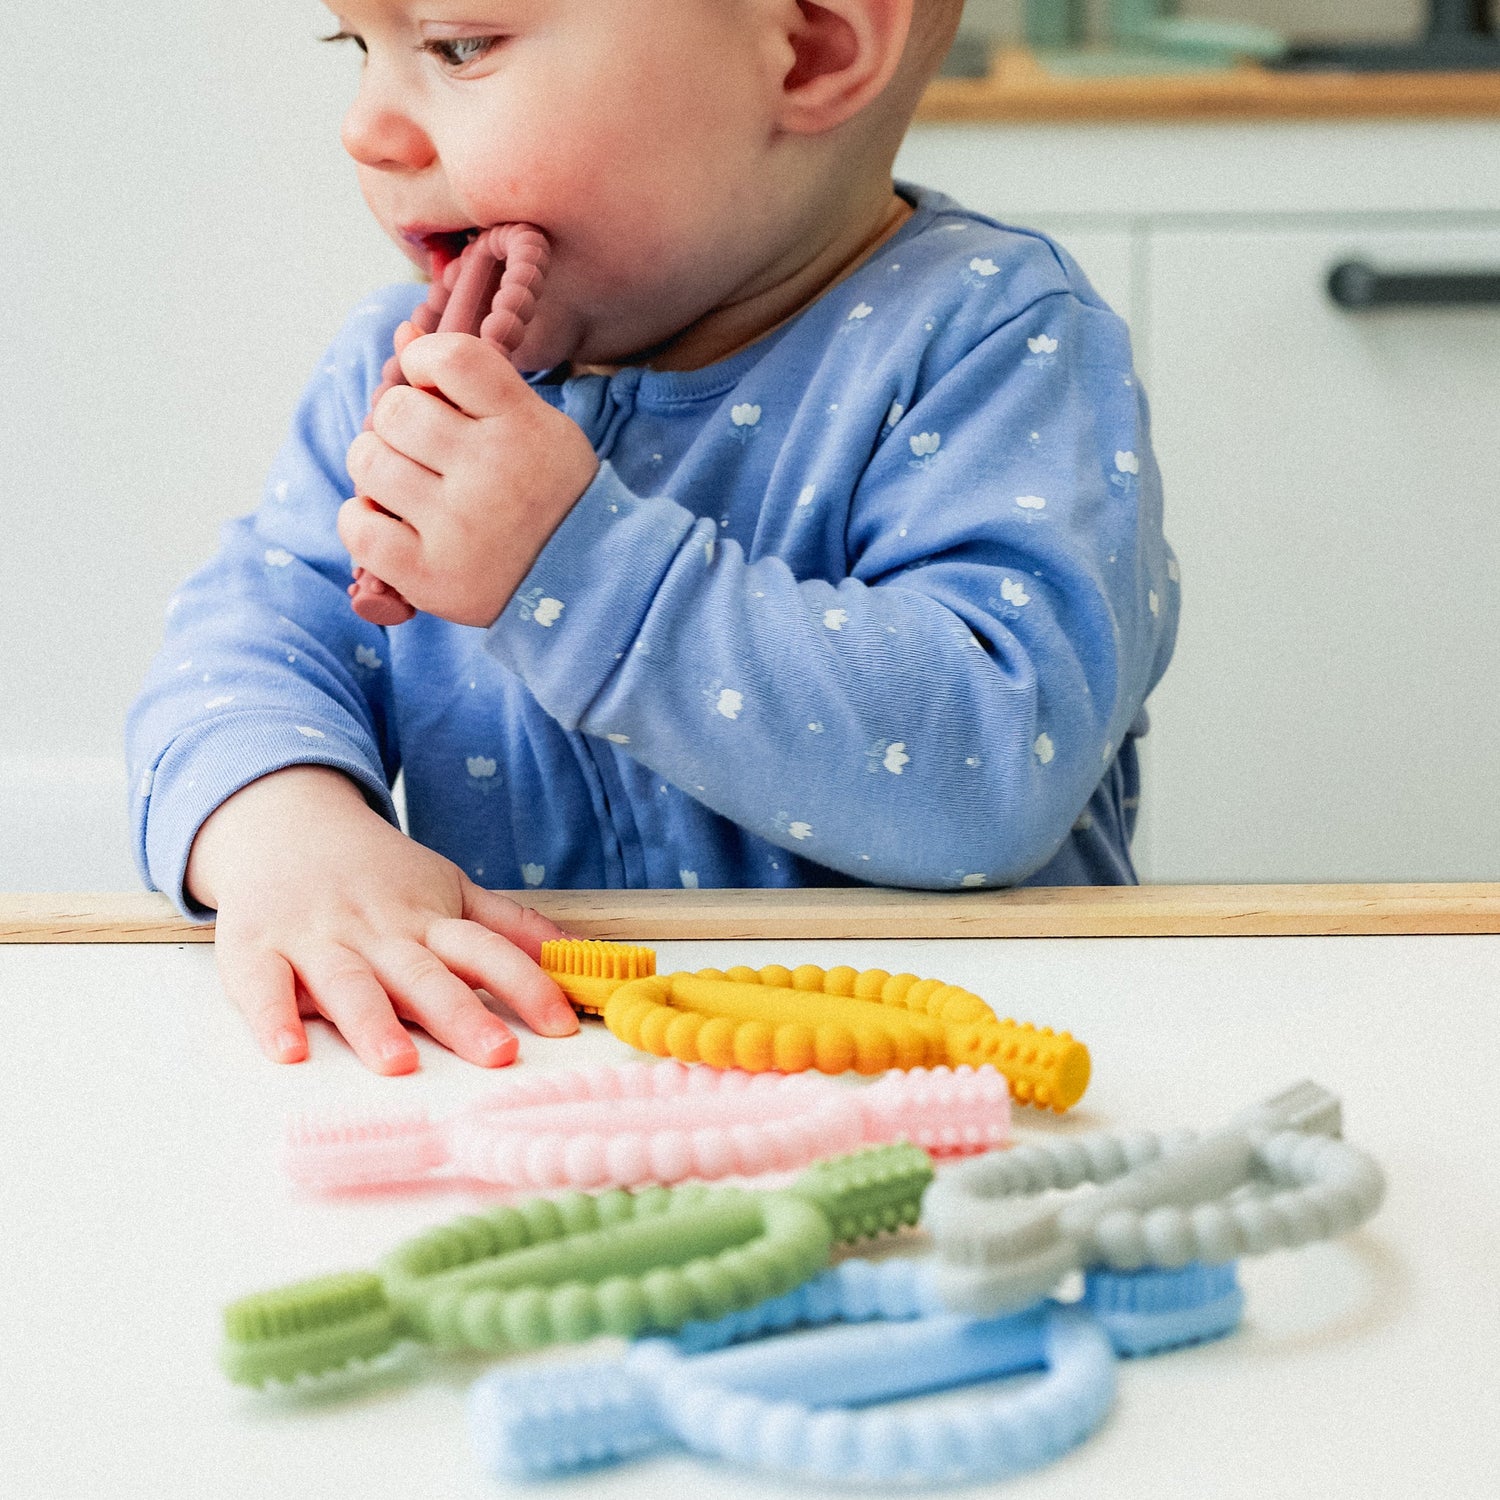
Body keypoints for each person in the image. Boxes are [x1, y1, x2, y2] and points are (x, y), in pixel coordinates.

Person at [127, 0, 1179, 1076]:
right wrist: (286, 832)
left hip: (954, 1077)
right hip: (544, 1072)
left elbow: (994, 768)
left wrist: (569, 569)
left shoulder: (993, 343)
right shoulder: (389, 381)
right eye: (355, 48)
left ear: (812, 46)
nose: (367, 129)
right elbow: (246, 649)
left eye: (458, 46)